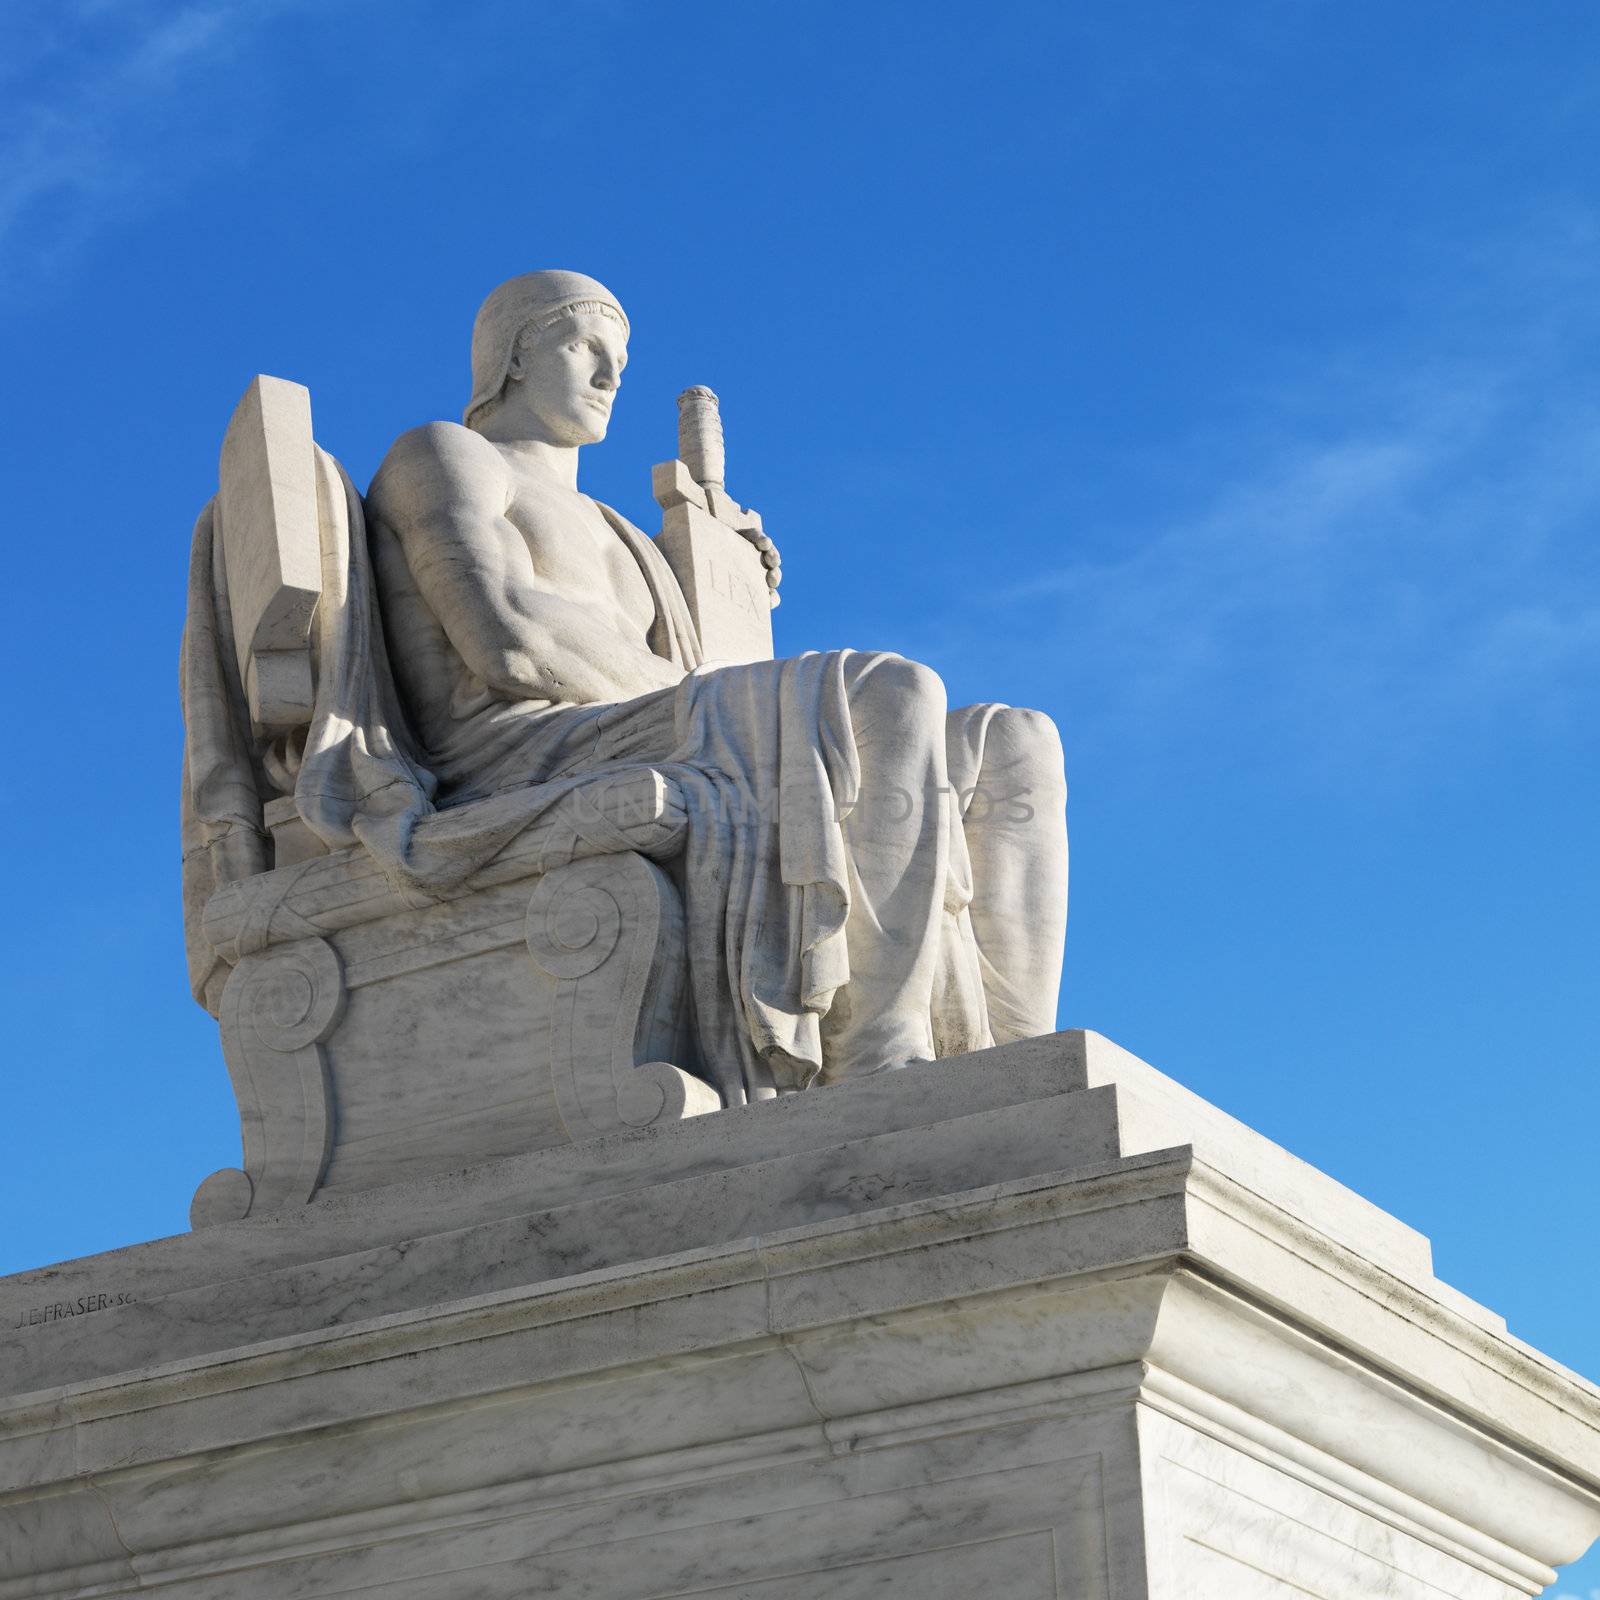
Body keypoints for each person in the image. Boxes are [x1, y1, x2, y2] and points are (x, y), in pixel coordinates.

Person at [356, 271, 1068, 1095]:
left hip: (634, 725)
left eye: (620, 359)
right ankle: (877, 1052)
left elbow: (694, 682)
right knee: (888, 693)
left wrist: (726, 584)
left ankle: (1017, 1065)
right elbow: (506, 641)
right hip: (518, 745)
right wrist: (755, 701)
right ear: (515, 353)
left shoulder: (625, 535)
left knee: (1015, 741)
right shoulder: (447, 455)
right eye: (584, 347)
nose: (610, 377)